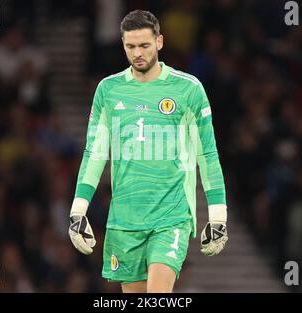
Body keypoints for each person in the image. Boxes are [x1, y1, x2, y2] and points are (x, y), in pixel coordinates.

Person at [68, 10, 228, 293]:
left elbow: (208, 154)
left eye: (144, 45)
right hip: (125, 219)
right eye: (130, 46)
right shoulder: (108, 90)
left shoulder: (187, 89)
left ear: (160, 42)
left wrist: (218, 216)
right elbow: (95, 152)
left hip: (171, 216)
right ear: (123, 45)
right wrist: (78, 210)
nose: (137, 53)